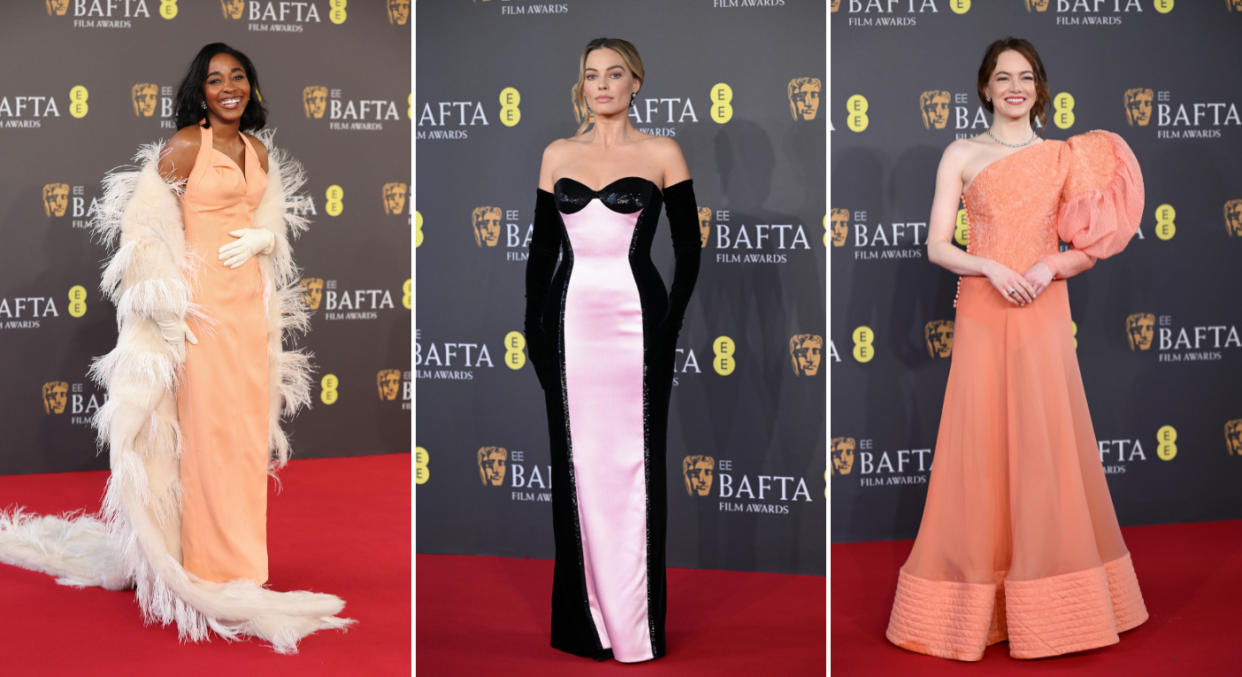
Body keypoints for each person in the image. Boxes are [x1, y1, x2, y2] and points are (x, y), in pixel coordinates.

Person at [0, 43, 351, 654]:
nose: (229, 87)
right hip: (201, 318)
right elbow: (144, 230)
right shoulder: (186, 146)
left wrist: (267, 234)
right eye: (216, 80)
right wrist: (165, 315)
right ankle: (212, 569)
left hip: (247, 318)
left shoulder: (260, 152)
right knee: (206, 439)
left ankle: (245, 565)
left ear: (252, 87)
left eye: (238, 76)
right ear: (200, 91)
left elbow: (271, 224)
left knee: (243, 442)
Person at [884, 37, 1148, 661]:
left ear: (1039, 87)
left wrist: (1048, 265)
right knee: (978, 448)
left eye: (1025, 76)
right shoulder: (961, 153)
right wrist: (988, 268)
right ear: (984, 87)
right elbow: (936, 246)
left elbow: (1095, 243)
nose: (1014, 86)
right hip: (982, 306)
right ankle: (973, 607)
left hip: (1043, 308)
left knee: (1044, 443)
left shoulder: (1066, 157)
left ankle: (1055, 604)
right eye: (1002, 77)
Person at [524, 37, 701, 664]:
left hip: (637, 327)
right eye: (592, 75)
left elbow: (688, 251)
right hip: (567, 327)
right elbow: (542, 252)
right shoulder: (556, 155)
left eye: (615, 74)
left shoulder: (662, 153)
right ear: (583, 85)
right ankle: (584, 622)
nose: (602, 85)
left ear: (636, 83)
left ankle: (632, 626)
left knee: (635, 471)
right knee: (576, 468)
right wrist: (530, 326)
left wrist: (670, 327)